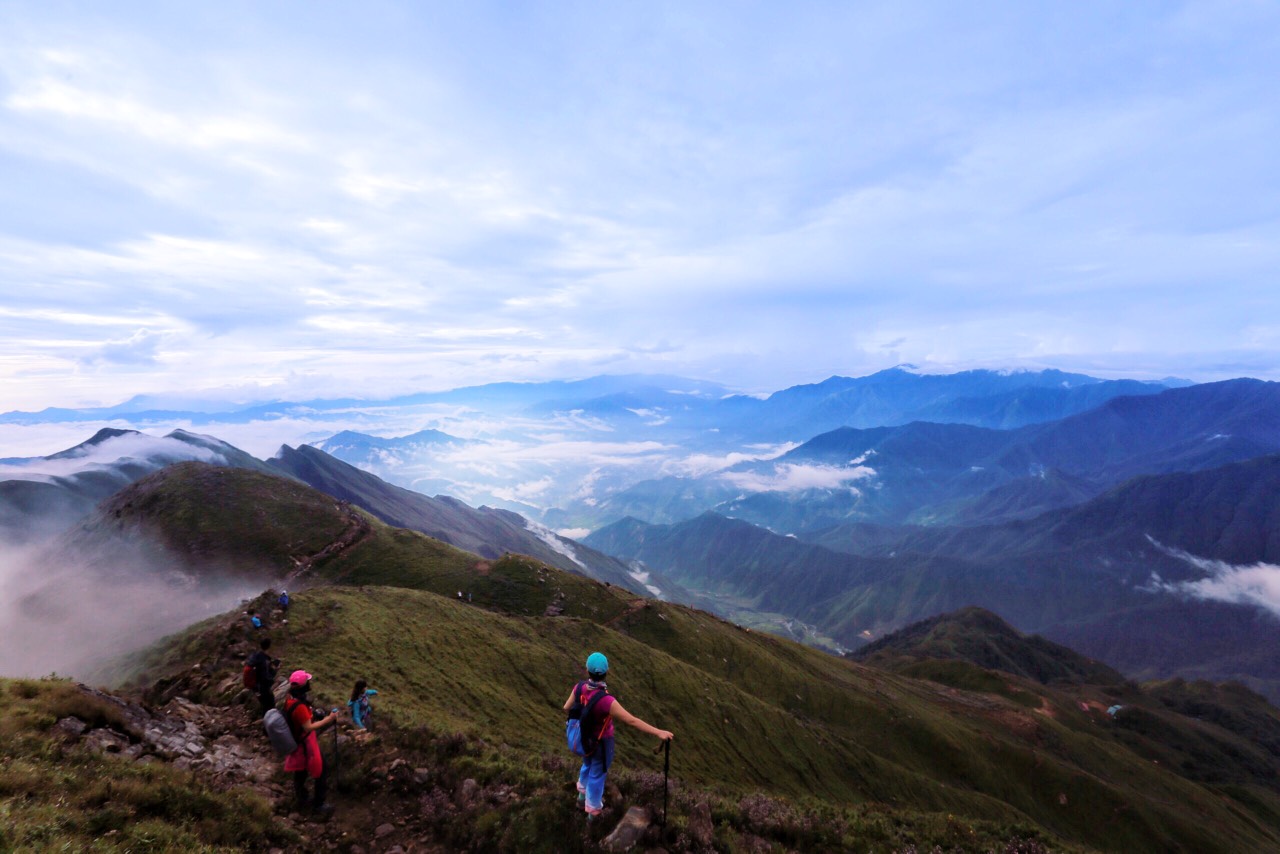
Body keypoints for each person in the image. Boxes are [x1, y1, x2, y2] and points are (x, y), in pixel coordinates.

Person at [562, 652, 673, 818]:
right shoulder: (606, 701)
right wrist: (659, 732)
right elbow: (632, 721)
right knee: (597, 775)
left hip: (584, 739)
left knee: (587, 764)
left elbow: (566, 707)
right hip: (601, 743)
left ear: (587, 670)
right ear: (607, 672)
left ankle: (581, 797)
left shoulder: (578, 688)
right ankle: (592, 815)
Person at [283, 670, 339, 814]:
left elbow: (302, 718)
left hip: (297, 740)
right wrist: (329, 719)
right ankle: (319, 804)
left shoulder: (290, 698)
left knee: (300, 770)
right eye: (307, 682)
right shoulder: (300, 706)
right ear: (303, 686)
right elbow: (308, 727)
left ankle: (301, 798)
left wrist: (313, 714)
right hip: (305, 742)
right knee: (321, 769)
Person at [246, 638, 280, 717]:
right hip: (262, 688)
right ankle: (268, 726)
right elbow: (265, 677)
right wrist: (275, 671)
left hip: (255, 687)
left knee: (265, 706)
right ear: (269, 647)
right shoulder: (263, 660)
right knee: (270, 706)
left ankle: (266, 722)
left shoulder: (256, 656)